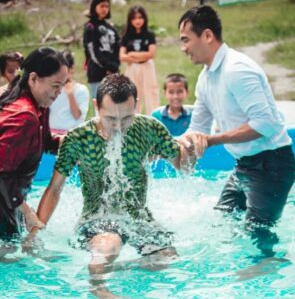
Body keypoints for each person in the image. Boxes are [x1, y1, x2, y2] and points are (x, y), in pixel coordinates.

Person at [28, 74, 191, 297]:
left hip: (137, 217)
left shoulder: (150, 128)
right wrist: (35, 234)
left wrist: (190, 146)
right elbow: (55, 188)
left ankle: (114, 269)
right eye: (110, 119)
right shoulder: (78, 138)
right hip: (96, 218)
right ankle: (100, 289)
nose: (118, 126)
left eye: (126, 118)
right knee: (108, 244)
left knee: (167, 258)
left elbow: (183, 165)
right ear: (96, 107)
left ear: (137, 105)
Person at [178, 6, 295, 255]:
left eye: (186, 39)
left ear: (207, 36)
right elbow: (196, 128)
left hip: (272, 165)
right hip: (244, 164)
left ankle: (267, 275)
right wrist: (170, 145)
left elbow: (266, 124)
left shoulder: (238, 70)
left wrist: (212, 140)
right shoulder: (205, 77)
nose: (183, 48)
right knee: (222, 219)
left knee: (258, 234)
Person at [0, 47, 68, 250]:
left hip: (9, 200)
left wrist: (73, 142)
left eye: (63, 86)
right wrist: (27, 212)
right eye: (55, 85)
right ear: (33, 79)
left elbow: (45, 143)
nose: (59, 93)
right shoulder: (24, 116)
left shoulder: (39, 107)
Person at [119, 5, 160, 115]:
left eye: (140, 17)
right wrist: (141, 55)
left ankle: (154, 119)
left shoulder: (149, 35)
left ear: (144, 19)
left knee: (151, 93)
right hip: (132, 68)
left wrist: (132, 54)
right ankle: (134, 121)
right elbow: (122, 56)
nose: (137, 21)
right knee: (133, 94)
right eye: (134, 18)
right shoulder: (126, 36)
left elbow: (151, 54)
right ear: (130, 20)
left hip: (147, 67)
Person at [83, 0, 120, 100]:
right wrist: (107, 67)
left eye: (107, 7)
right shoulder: (90, 27)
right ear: (95, 7)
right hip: (97, 72)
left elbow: (117, 48)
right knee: (100, 105)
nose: (105, 9)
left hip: (113, 72)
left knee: (114, 103)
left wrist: (115, 66)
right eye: (102, 6)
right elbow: (91, 52)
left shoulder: (111, 28)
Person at [49, 50, 90, 135]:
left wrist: (70, 95)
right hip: (51, 135)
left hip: (71, 136)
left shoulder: (81, 90)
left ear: (72, 69)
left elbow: (77, 116)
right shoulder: (51, 88)